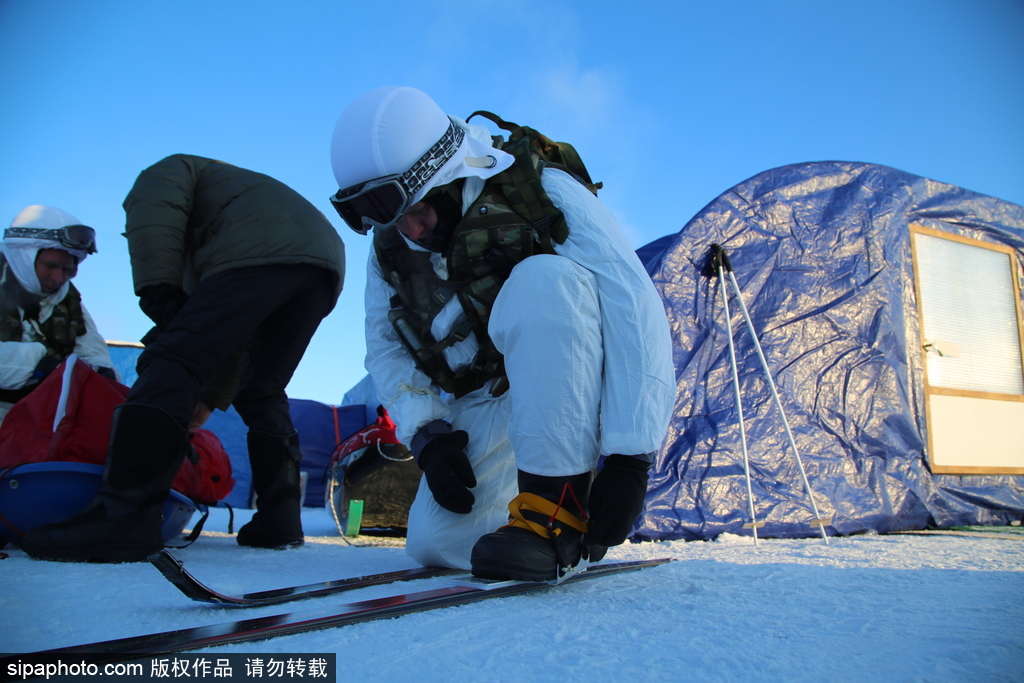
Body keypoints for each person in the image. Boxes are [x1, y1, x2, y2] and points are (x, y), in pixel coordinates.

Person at [328, 86, 675, 581]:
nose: (413, 230)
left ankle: (557, 512)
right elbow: (385, 344)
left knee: (545, 280)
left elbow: (632, 304)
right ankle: (536, 520)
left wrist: (630, 457)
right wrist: (427, 434)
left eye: (420, 209)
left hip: (573, 385)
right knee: (436, 544)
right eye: (394, 218)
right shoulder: (392, 245)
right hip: (490, 396)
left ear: (449, 176)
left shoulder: (540, 189)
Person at [21, 155, 346, 562]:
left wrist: (158, 290)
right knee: (262, 389)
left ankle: (123, 520)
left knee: (171, 358)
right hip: (323, 265)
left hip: (267, 245)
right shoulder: (228, 221)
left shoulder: (167, 172)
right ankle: (280, 520)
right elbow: (229, 339)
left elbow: (155, 212)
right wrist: (207, 398)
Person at [1, 205, 116, 425]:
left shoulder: (67, 299)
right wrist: (38, 366)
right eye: (50, 265)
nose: (58, 278)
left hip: (37, 419)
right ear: (23, 256)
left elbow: (92, 351)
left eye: (67, 269)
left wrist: (101, 374)